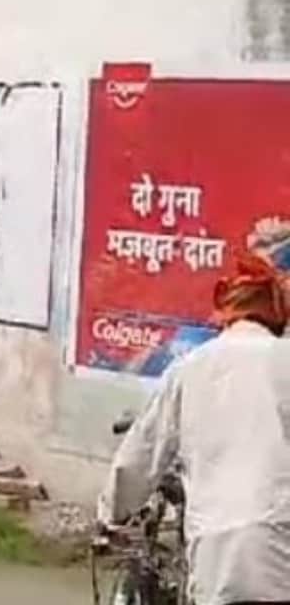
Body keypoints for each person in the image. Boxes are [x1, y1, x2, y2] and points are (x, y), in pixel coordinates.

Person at [100, 252, 290, 605]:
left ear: (227, 316)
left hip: (216, 556)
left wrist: (111, 514)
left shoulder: (189, 368)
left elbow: (139, 457)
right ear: (275, 314)